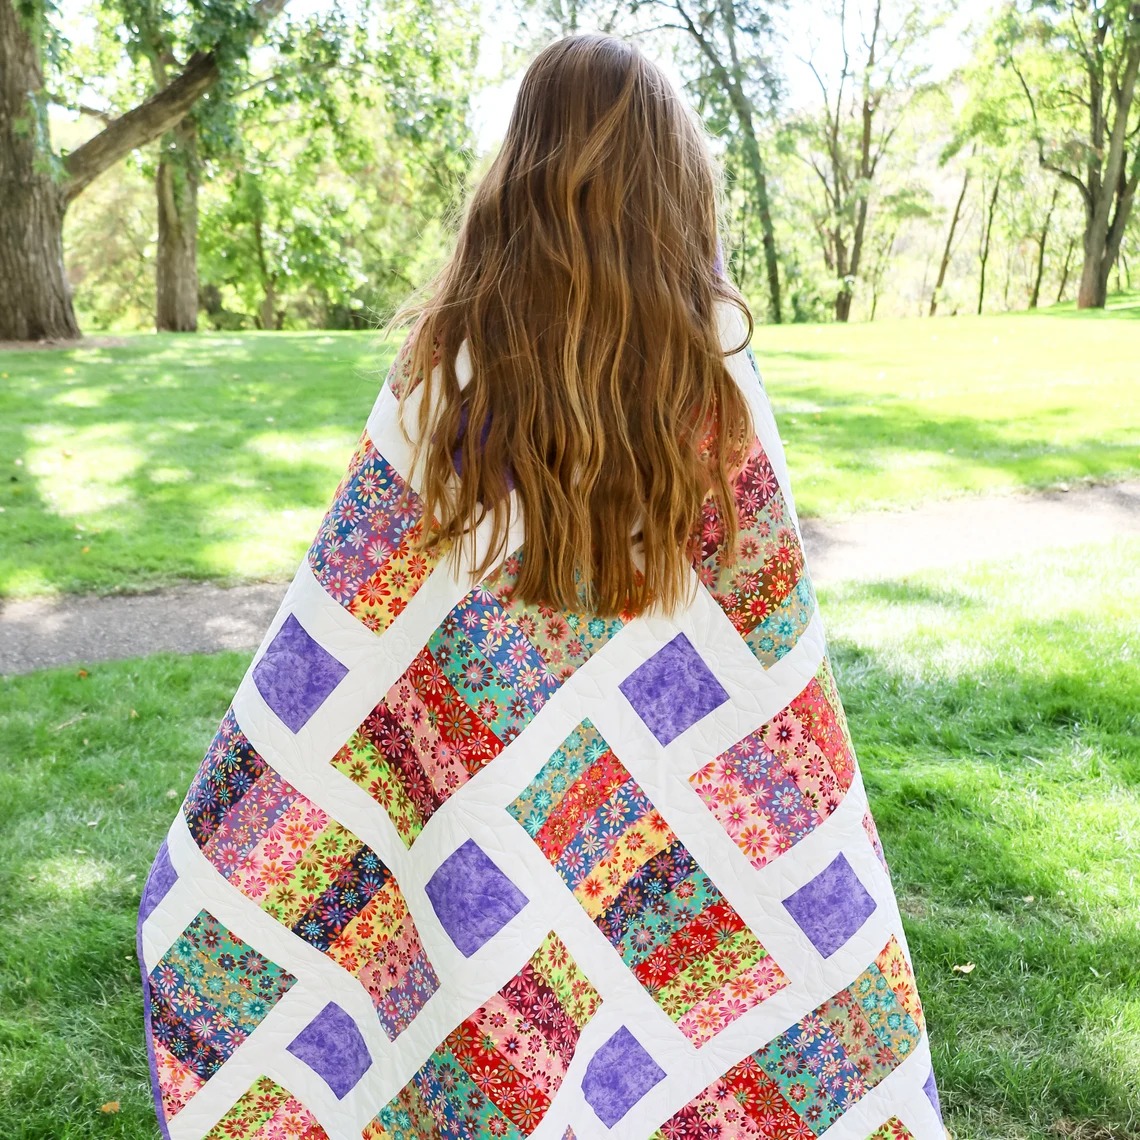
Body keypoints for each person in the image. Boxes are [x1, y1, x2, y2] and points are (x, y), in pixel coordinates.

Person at [137, 34, 944, 1140]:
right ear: (676, 183)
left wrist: (233, 839)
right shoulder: (708, 356)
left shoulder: (450, 357)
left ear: (518, 169)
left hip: (491, 802)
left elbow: (358, 608)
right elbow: (762, 635)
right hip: (606, 823)